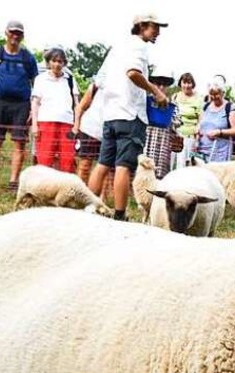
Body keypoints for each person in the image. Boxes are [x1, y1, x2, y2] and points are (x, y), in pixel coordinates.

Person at [86, 13, 169, 221]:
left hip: (111, 113)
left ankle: (86, 206)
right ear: (141, 27)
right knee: (124, 165)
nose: (158, 32)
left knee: (104, 163)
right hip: (130, 114)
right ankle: (120, 215)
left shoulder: (116, 48)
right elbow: (133, 73)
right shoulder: (139, 46)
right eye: (154, 27)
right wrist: (156, 92)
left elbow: (100, 81)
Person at [0, 20, 37, 189]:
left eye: (18, 33)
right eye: (12, 32)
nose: (15, 36)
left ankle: (13, 181)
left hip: (22, 105)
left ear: (23, 36)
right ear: (6, 32)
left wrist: (34, 109)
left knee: (20, 142)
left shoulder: (28, 58)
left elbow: (36, 83)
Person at [30, 47, 79, 173]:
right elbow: (35, 103)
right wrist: (34, 125)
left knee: (67, 161)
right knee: (44, 160)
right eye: (54, 61)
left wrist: (76, 126)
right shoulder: (41, 79)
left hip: (67, 124)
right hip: (46, 123)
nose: (57, 64)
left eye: (60, 61)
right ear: (49, 62)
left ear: (64, 63)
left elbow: (77, 105)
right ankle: (43, 190)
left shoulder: (70, 80)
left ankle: (66, 190)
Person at [194, 76, 235, 163]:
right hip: (202, 151)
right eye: (211, 94)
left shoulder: (229, 107)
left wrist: (219, 132)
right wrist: (196, 136)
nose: (214, 97)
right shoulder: (205, 106)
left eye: (216, 94)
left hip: (220, 152)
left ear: (223, 93)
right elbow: (199, 124)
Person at [144, 70, 178, 179]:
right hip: (147, 137)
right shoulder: (146, 101)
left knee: (160, 173)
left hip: (163, 140)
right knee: (144, 169)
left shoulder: (172, 105)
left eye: (164, 85)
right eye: (158, 84)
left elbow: (177, 121)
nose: (161, 87)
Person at [171, 71, 200, 169]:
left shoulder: (198, 99)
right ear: (180, 84)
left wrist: (197, 136)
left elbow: (201, 118)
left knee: (182, 165)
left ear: (193, 84)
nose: (187, 85)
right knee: (169, 163)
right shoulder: (175, 96)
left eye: (189, 83)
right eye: (184, 82)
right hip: (175, 135)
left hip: (189, 136)